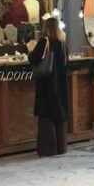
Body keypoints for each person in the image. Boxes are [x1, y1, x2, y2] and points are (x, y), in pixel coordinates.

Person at [27, 17, 69, 157]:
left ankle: (48, 149)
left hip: (47, 83)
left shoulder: (44, 41)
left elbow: (33, 58)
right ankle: (61, 147)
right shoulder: (62, 43)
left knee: (47, 115)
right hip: (61, 83)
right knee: (59, 113)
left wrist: (30, 50)